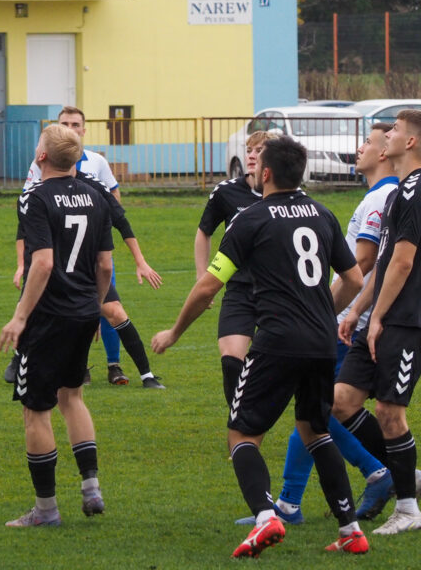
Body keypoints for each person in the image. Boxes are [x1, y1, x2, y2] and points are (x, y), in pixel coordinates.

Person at [153, 137, 370, 557]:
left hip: (277, 342)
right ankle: (351, 530)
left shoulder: (250, 219)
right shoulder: (322, 214)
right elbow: (355, 280)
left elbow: (209, 286)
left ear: (266, 173)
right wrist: (321, 313)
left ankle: (266, 518)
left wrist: (176, 331)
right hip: (321, 342)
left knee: (241, 434)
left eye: (256, 165)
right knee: (315, 431)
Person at [242, 123, 400, 528]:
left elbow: (361, 264)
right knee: (316, 412)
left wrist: (324, 311)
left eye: (368, 142)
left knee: (324, 412)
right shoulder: (381, 195)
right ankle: (292, 502)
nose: (360, 148)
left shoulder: (379, 197)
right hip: (339, 320)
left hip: (347, 320)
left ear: (384, 153)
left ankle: (383, 472)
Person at [332, 109, 421, 536]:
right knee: (341, 400)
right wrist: (357, 309)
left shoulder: (417, 191)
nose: (387, 135)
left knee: (389, 412)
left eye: (395, 129)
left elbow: (403, 262)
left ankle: (408, 510)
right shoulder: (399, 192)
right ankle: (405, 472)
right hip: (380, 318)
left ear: (410, 142)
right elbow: (382, 263)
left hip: (407, 322)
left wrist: (376, 316)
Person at [0, 124, 114, 527]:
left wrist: (20, 316)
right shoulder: (98, 195)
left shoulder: (34, 197)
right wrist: (96, 308)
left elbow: (43, 263)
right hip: (84, 311)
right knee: (73, 397)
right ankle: (91, 487)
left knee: (36, 410)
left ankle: (46, 510)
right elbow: (105, 265)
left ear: (42, 156)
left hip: (48, 316)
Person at [8, 105, 164, 388]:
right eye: (63, 125)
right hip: (63, 265)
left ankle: (139, 372)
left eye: (74, 125)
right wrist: (22, 264)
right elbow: (26, 226)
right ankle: (24, 360)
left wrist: (139, 260)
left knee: (108, 312)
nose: (69, 129)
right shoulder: (40, 185)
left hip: (80, 266)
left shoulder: (93, 182)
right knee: (37, 310)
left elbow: (118, 220)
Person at [194, 130, 276, 406]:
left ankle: (256, 413)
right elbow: (204, 231)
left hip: (276, 291)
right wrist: (202, 278)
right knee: (231, 361)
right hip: (240, 289)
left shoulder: (286, 194)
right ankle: (239, 420)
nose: (252, 155)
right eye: (249, 149)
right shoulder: (227, 192)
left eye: (259, 150)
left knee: (273, 364)